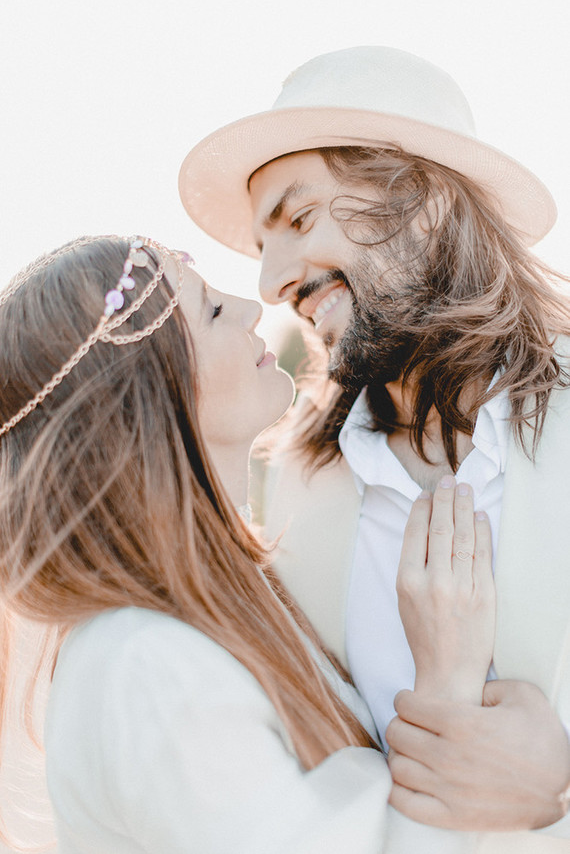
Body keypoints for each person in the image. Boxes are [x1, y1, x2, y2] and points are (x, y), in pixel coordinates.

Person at [178, 46, 570, 848]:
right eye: (263, 246)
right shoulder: (289, 480)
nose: (271, 281)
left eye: (300, 219)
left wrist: (559, 784)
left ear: (419, 200)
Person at [0, 234, 494, 853]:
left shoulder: (223, 610)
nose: (250, 307)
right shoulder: (148, 670)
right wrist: (448, 687)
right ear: (148, 398)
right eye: (210, 311)